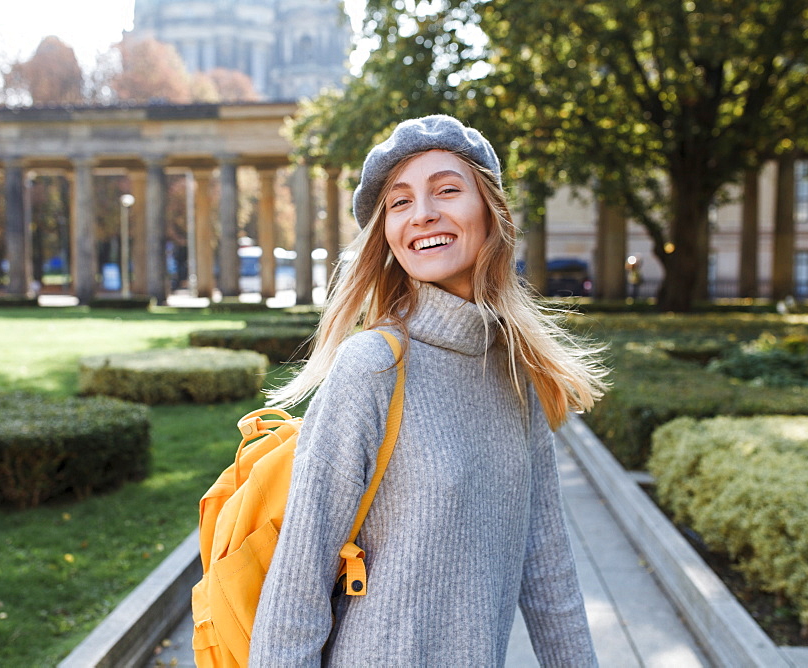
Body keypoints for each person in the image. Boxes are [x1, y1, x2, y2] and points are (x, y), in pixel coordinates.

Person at [251, 115, 607, 666]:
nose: (423, 214)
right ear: (387, 234)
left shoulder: (515, 372)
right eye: (399, 202)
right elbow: (298, 583)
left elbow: (548, 566)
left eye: (446, 189)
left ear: (491, 211)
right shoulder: (371, 367)